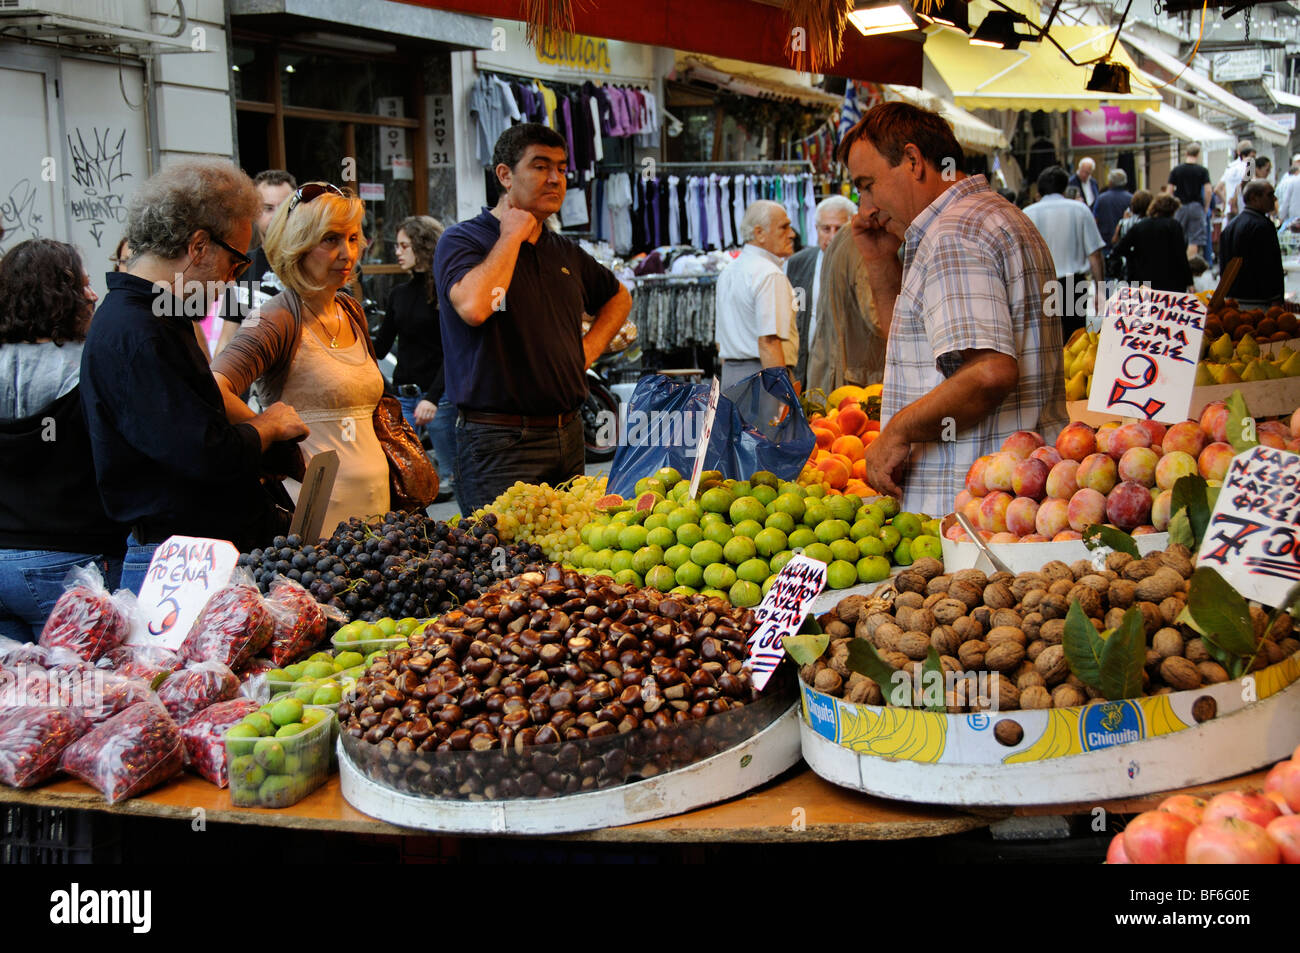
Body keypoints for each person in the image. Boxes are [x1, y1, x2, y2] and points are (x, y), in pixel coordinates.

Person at [79, 159, 309, 593]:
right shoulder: (138, 330)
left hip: (194, 554)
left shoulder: (157, 317)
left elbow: (189, 417)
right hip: (180, 564)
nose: (232, 279)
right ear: (199, 245)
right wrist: (267, 425)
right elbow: (202, 453)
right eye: (237, 263)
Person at [842, 102, 1066, 515]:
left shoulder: (954, 234)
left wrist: (895, 432)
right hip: (1012, 499)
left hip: (970, 508)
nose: (865, 209)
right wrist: (879, 262)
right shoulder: (997, 216)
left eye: (867, 184)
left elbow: (989, 372)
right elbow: (927, 354)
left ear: (912, 160)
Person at [433, 123, 632, 515]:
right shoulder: (463, 240)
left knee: (570, 566)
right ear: (505, 175)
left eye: (561, 168)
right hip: (499, 442)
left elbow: (618, 297)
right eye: (540, 166)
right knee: (503, 566)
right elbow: (474, 307)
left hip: (568, 432)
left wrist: (585, 353)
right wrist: (510, 236)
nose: (555, 178)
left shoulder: (564, 250)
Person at [214, 183, 391, 536]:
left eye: (354, 239)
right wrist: (267, 429)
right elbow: (211, 388)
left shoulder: (350, 310)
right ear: (297, 246)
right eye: (331, 240)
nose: (347, 253)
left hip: (377, 513)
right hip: (314, 521)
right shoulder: (275, 317)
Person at [0, 240, 125, 639]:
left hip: (3, 559)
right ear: (57, 297)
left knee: (21, 697)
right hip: (70, 565)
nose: (93, 295)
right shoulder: (91, 365)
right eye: (83, 286)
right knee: (81, 693)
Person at [375, 215, 455, 502]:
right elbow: (380, 348)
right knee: (404, 475)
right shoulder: (398, 294)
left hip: (439, 398)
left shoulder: (444, 293)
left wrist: (433, 398)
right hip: (404, 398)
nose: (397, 252)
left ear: (422, 247)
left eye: (403, 245)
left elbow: (453, 351)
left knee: (451, 475)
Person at [715, 200, 798, 391]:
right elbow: (769, 342)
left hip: (731, 376)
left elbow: (720, 343)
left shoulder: (729, 271)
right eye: (784, 227)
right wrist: (782, 393)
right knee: (771, 421)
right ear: (759, 233)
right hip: (764, 377)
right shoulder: (769, 274)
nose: (792, 234)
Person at [215, 169, 297, 356]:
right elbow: (228, 339)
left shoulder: (313, 264)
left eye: (284, 208)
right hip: (253, 380)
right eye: (268, 208)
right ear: (254, 212)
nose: (277, 216)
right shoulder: (242, 265)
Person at [1021, 166, 1105, 338]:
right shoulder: (1080, 210)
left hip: (1040, 285)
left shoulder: (1027, 213)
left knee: (1044, 340)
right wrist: (1100, 290)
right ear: (1065, 187)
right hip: (1073, 286)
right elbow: (1095, 254)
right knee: (1073, 340)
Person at [782, 195, 856, 387]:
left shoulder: (862, 263)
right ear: (816, 229)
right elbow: (794, 313)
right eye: (826, 229)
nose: (832, 236)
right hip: (808, 362)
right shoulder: (797, 264)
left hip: (849, 364)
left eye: (839, 229)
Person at [803, 224, 885, 395]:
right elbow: (878, 319)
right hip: (854, 382)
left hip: (832, 372)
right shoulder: (866, 244)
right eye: (825, 228)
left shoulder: (847, 236)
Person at [1219, 180, 1285, 308]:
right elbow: (1271, 266)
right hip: (1258, 301)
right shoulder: (1263, 226)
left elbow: (1224, 267)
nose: (1274, 198)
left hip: (1231, 300)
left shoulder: (1230, 226)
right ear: (1254, 198)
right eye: (1270, 195)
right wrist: (1276, 298)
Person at [1113, 194, 1193, 293]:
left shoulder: (1140, 226)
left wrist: (1134, 256)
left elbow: (1119, 249)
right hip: (1171, 281)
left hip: (1144, 279)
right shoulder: (1174, 226)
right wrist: (1190, 281)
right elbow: (1181, 255)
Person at [1166, 143, 1212, 257]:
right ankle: (1190, 267)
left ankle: (1179, 266)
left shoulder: (1176, 170)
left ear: (1186, 153)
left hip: (1180, 206)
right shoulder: (1202, 170)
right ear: (1198, 154)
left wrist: (1171, 206)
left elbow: (1169, 191)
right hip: (1196, 206)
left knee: (1177, 236)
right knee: (1194, 239)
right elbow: (1208, 190)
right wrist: (1206, 206)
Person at [1092, 168, 1133, 254]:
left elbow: (1095, 221)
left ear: (1110, 182)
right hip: (1124, 243)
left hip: (1105, 242)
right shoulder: (1131, 199)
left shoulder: (1101, 199)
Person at [1216, 139, 1255, 221]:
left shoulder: (1230, 167)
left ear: (1238, 152)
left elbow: (1217, 189)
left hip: (1229, 211)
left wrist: (1226, 202)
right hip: (1245, 211)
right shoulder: (1249, 167)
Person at [1278, 154, 1300, 224]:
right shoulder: (1288, 178)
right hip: (1294, 219)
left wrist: (1281, 217)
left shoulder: (1294, 180)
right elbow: (1284, 200)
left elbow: (1285, 201)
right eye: (1298, 162)